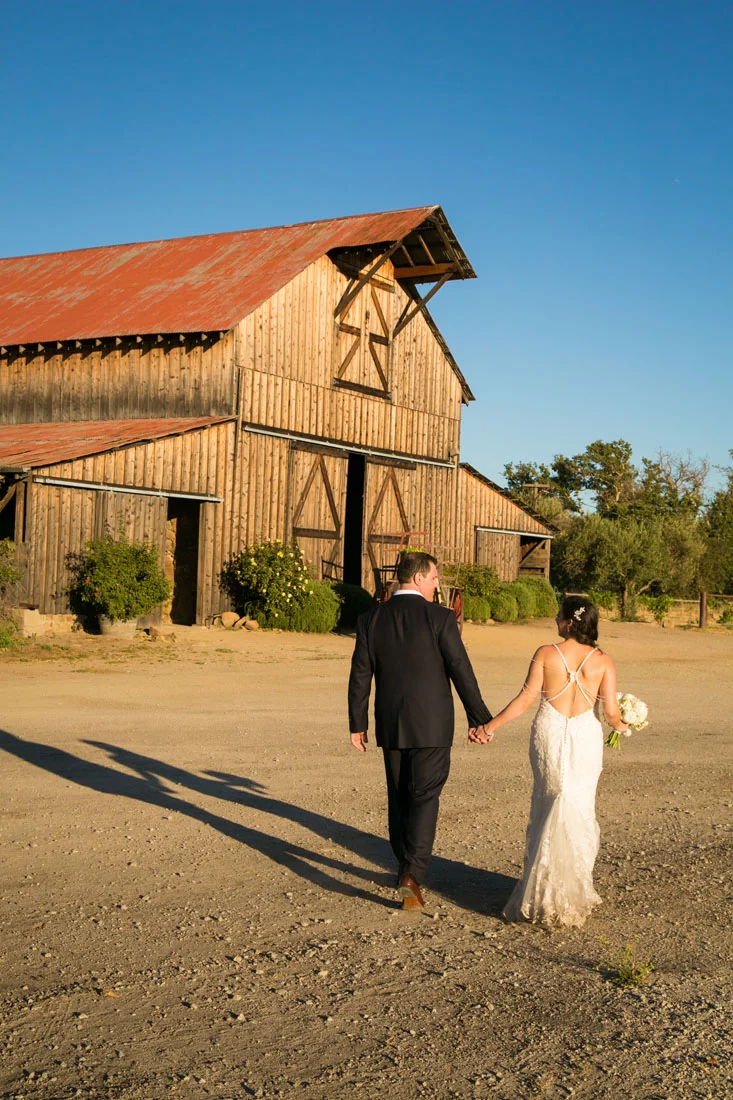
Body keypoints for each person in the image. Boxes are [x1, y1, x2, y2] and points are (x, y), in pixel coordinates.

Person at [348, 551, 492, 910]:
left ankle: (403, 868)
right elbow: (460, 668)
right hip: (432, 725)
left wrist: (357, 723)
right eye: (433, 577)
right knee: (424, 797)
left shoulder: (370, 619)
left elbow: (360, 674)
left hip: (391, 724)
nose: (436, 583)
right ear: (417, 578)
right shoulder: (441, 617)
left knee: (399, 797)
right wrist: (479, 718)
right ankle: (412, 874)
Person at [479, 596, 629, 928]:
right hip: (585, 736)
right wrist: (624, 725)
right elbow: (611, 712)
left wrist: (490, 727)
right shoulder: (603, 661)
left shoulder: (546, 653)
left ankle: (542, 894)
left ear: (570, 623)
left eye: (559, 616)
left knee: (550, 801)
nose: (556, 620)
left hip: (549, 731)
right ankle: (572, 892)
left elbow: (525, 699)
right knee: (578, 804)